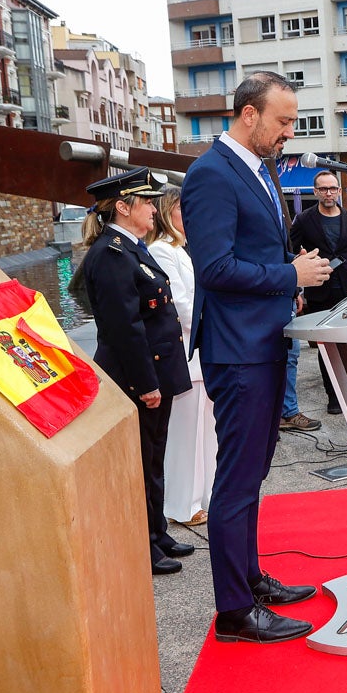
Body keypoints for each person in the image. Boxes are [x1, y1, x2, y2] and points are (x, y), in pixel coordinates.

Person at [183, 72, 331, 643]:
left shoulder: (255, 168)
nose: (289, 132)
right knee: (238, 481)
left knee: (253, 474)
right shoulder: (212, 175)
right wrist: (286, 275)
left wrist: (285, 279)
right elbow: (214, 268)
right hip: (239, 352)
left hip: (264, 341)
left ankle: (249, 579)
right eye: (283, 120)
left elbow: (252, 250)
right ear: (249, 114)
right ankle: (234, 613)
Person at [78, 167, 193, 576]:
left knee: (154, 458)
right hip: (138, 376)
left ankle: (157, 532)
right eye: (146, 202)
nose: (153, 208)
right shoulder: (110, 255)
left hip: (157, 369)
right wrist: (146, 383)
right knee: (141, 462)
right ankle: (145, 545)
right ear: (123, 208)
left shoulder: (131, 247)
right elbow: (123, 329)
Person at [147, 186, 216, 528]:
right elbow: (180, 305)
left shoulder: (182, 250)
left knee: (206, 432)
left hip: (200, 353)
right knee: (187, 435)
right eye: (181, 210)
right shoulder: (162, 251)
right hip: (186, 353)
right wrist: (214, 322)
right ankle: (181, 505)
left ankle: (205, 497)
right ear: (166, 213)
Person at [290, 170, 347, 414]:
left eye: (332, 188)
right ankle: (333, 395)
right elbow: (293, 251)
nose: (328, 193)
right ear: (315, 192)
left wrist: (345, 270)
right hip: (320, 290)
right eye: (323, 189)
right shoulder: (304, 220)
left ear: (338, 191)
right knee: (327, 345)